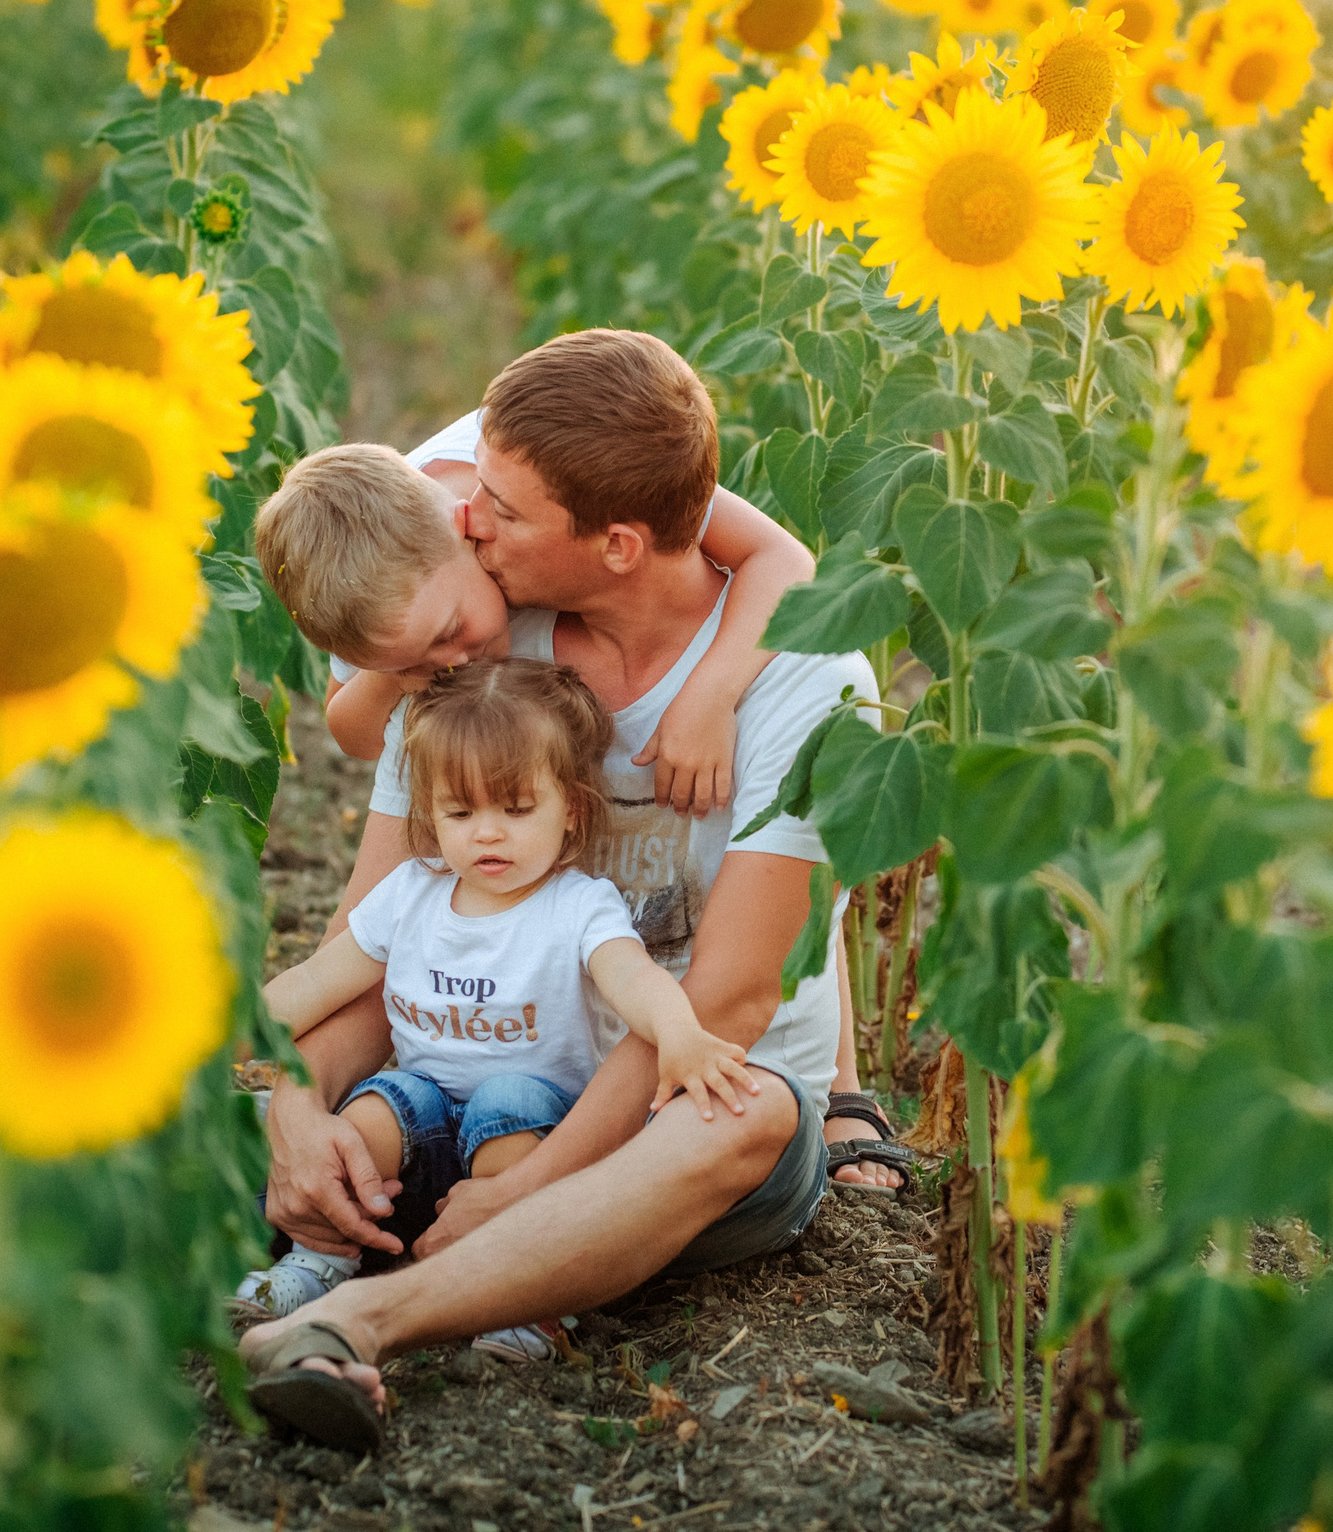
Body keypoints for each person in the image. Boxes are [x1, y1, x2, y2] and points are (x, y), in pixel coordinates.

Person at [236, 329, 892, 1451]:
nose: (468, 520)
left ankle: (358, 1318)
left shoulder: (808, 679)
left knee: (745, 1112)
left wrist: (532, 1189)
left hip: (668, 1134)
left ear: (620, 544)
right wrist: (292, 1105)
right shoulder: (473, 656)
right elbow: (376, 931)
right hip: (471, 1094)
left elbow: (730, 1001)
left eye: (502, 507)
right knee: (255, 1111)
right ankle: (377, 1233)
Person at [255, 413, 911, 1196]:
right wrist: (296, 1101)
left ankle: (841, 1085)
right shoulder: (392, 585)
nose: (453, 666)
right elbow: (357, 750)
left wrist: (711, 692)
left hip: (703, 1051)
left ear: (465, 528)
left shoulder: (572, 473)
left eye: (453, 634)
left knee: (776, 852)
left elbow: (781, 557)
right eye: (416, 665)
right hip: (544, 1064)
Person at [240, 657, 756, 1363]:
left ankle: (521, 1296)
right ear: (430, 812)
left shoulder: (577, 905)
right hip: (425, 1133)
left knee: (508, 1101)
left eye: (516, 810)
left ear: (570, 808)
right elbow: (314, 983)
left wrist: (680, 1035)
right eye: (461, 812)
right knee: (377, 1104)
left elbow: (634, 978)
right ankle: (322, 1256)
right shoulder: (410, 895)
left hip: (528, 1140)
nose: (488, 833)